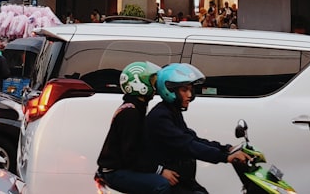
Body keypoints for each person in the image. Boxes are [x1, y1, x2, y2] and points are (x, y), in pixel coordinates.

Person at [143, 63, 250, 193]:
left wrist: (226, 149)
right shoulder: (160, 117)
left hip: (182, 179)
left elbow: (192, 139)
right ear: (169, 90)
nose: (189, 95)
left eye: (190, 89)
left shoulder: (171, 112)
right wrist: (225, 157)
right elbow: (188, 145)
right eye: (184, 90)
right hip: (172, 180)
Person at [96, 62, 178, 194]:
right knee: (161, 184)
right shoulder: (131, 113)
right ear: (140, 84)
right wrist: (160, 170)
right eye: (152, 81)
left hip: (121, 168)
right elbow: (131, 155)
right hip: (115, 172)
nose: (156, 86)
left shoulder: (135, 108)